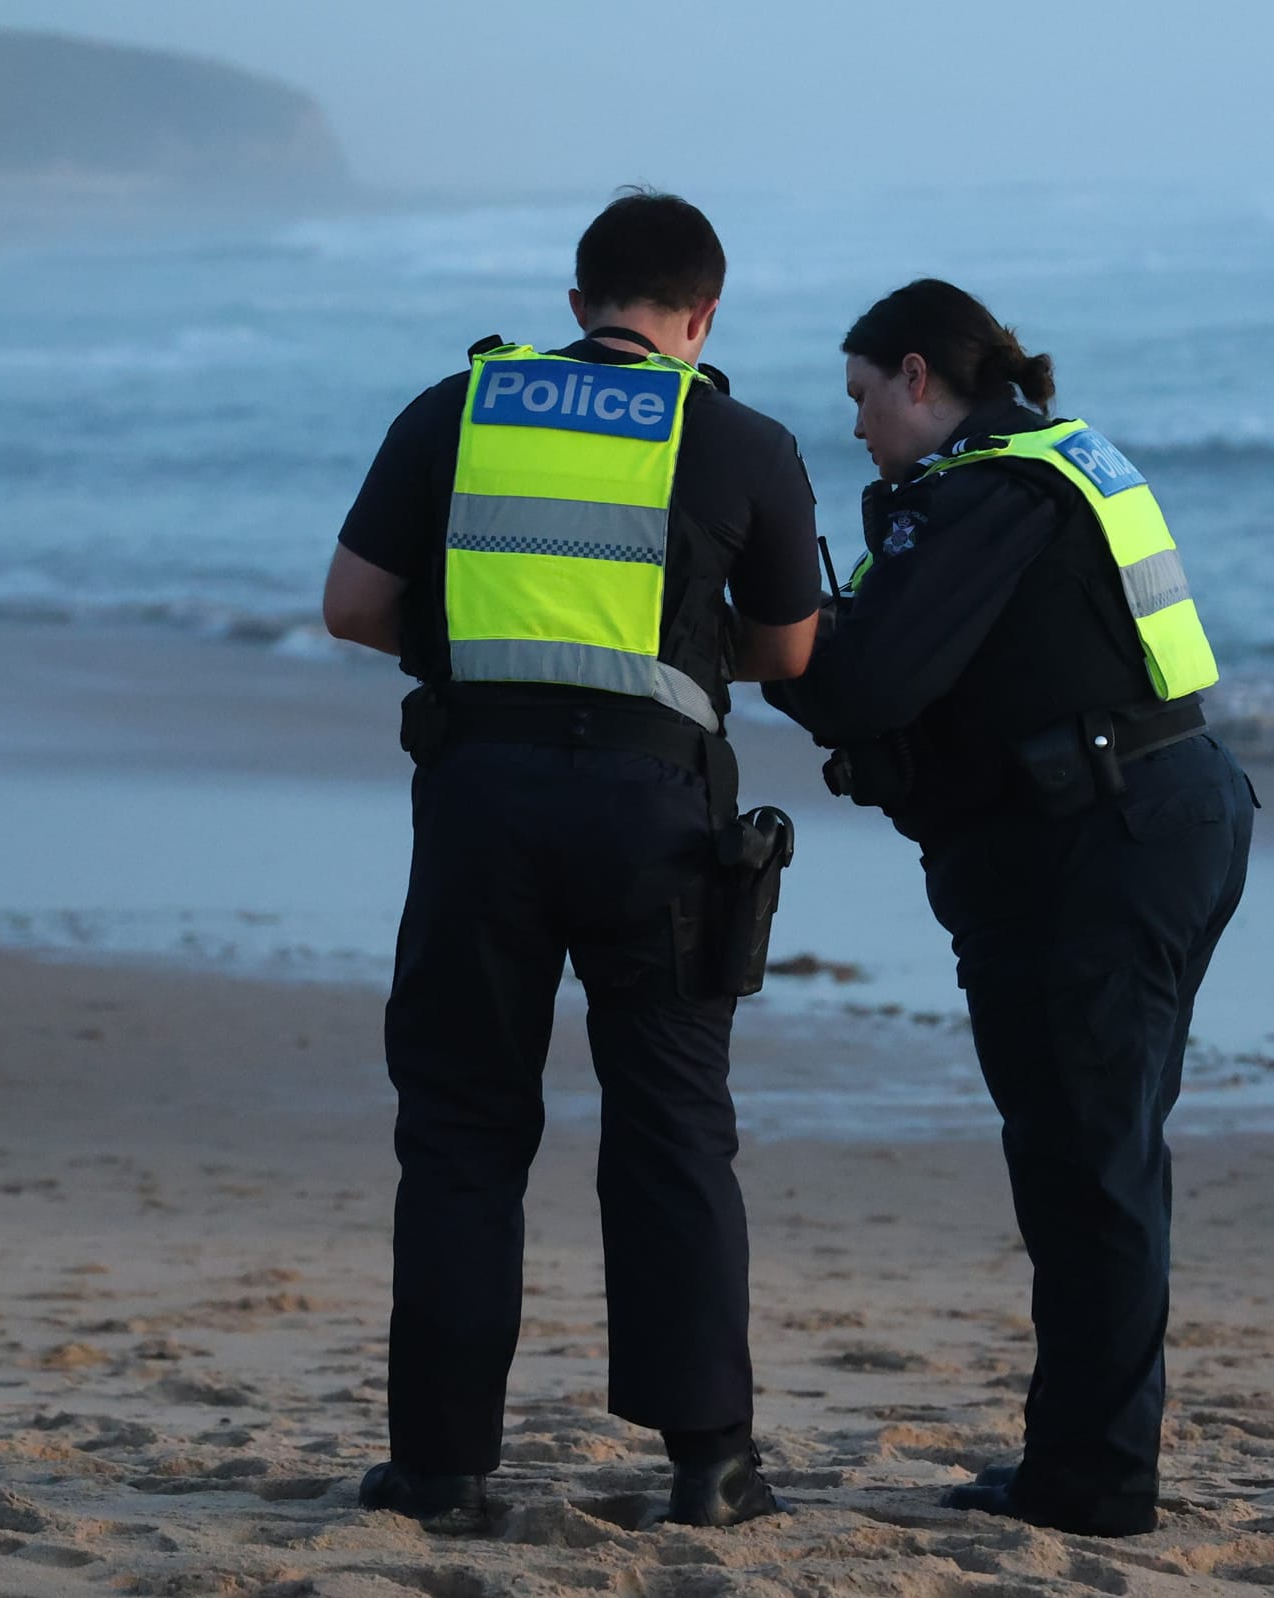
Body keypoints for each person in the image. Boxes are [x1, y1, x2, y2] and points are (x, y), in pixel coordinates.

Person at [323, 189, 822, 1532]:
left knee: (463, 1129)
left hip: (479, 798)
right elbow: (788, 655)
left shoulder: (456, 408)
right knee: (672, 1131)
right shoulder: (739, 438)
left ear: (575, 301)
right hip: (656, 815)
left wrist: (483, 649)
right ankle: (710, 1463)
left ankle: (440, 1465)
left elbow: (352, 607)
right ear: (703, 314)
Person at [766, 279, 1255, 1538]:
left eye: (863, 396)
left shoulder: (986, 495)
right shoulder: (1047, 462)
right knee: (1090, 1156)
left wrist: (749, 628)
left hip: (1104, 842)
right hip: (1159, 818)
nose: (859, 425)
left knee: (1088, 1165)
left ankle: (1092, 1484)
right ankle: (1079, 1456)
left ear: (918, 376)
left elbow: (864, 683)